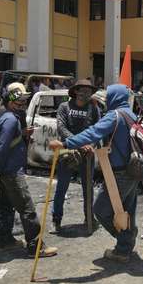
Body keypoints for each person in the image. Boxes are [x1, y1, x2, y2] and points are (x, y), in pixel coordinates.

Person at [49, 84, 138, 263]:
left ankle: (124, 244)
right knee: (127, 210)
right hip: (133, 170)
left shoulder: (114, 115)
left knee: (100, 209)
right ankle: (126, 243)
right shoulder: (130, 114)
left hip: (119, 173)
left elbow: (94, 132)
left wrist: (66, 144)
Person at [0, 82, 58, 256]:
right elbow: (2, 147)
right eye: (18, 103)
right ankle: (35, 247)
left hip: (9, 170)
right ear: (9, 101)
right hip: (12, 172)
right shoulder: (10, 119)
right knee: (27, 208)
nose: (21, 105)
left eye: (23, 103)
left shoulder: (9, 117)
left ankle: (5, 240)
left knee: (6, 205)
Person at [52, 80, 99, 232]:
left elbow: (98, 130)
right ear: (76, 91)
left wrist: (92, 145)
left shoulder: (93, 108)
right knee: (61, 188)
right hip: (68, 153)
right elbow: (61, 128)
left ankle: (89, 217)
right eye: (83, 91)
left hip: (87, 154)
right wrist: (78, 143)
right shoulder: (64, 107)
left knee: (88, 189)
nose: (86, 94)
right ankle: (56, 219)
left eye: (89, 91)